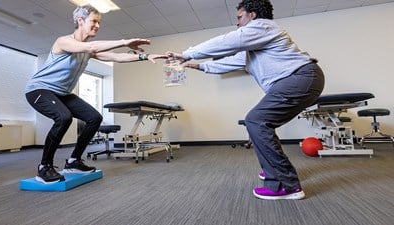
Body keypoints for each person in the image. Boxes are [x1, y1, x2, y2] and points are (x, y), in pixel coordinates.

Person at [167, 0, 324, 200]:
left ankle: (286, 185)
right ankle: (274, 171)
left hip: (301, 78)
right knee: (260, 123)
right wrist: (196, 65)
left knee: (256, 120)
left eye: (240, 17)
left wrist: (186, 54)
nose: (238, 23)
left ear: (253, 16)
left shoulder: (264, 26)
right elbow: (231, 62)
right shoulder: (255, 48)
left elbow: (228, 41)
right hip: (302, 79)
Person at [25, 5, 165, 184]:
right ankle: (44, 167)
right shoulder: (63, 42)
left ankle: (74, 161)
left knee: (93, 118)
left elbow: (117, 58)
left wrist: (144, 57)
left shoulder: (88, 51)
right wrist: (124, 41)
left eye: (99, 22)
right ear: (80, 21)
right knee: (64, 117)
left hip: (62, 93)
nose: (98, 25)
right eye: (94, 21)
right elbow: (90, 45)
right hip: (39, 89)